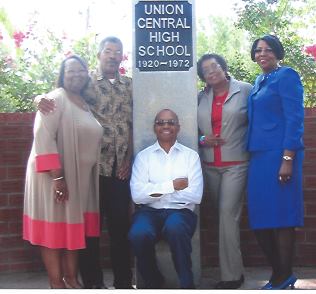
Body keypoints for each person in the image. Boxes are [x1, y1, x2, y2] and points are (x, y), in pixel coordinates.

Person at [36, 36, 133, 289]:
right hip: (90, 171)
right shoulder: (86, 82)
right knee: (89, 231)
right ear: (100, 55)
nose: (113, 55)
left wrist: (129, 156)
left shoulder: (131, 85)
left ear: (122, 56)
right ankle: (93, 283)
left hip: (120, 169)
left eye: (118, 52)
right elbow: (57, 96)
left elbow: (136, 122)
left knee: (120, 228)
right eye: (108, 51)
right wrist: (38, 98)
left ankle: (124, 282)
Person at [23, 55, 103, 289]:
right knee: (53, 229)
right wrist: (57, 177)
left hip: (77, 179)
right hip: (53, 176)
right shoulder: (54, 99)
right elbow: (43, 136)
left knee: (71, 228)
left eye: (81, 70)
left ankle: (71, 279)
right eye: (71, 71)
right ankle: (56, 283)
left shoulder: (84, 101)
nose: (76, 74)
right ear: (62, 74)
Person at [247, 35, 304, 290]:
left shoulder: (287, 76)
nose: (262, 54)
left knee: (282, 217)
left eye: (268, 50)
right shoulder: (259, 80)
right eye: (258, 50)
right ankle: (281, 273)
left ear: (278, 53)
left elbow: (295, 120)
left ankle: (282, 276)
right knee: (260, 218)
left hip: (280, 155)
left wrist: (288, 159)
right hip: (259, 157)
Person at [128, 109, 203, 289]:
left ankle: (187, 283)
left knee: (175, 227)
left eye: (170, 122)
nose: (166, 126)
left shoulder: (190, 156)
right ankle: (154, 281)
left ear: (178, 127)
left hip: (181, 212)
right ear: (155, 127)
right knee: (138, 234)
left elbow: (195, 195)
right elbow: (137, 195)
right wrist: (172, 186)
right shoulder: (144, 157)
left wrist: (154, 190)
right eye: (161, 122)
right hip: (148, 212)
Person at [197, 54, 252, 289]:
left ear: (223, 66)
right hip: (209, 166)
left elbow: (257, 122)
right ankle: (231, 269)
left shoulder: (246, 90)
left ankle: (232, 276)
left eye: (215, 66)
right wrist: (202, 139)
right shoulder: (200, 97)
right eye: (206, 70)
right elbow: (189, 128)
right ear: (203, 78)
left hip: (236, 164)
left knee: (228, 216)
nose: (212, 71)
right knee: (221, 217)